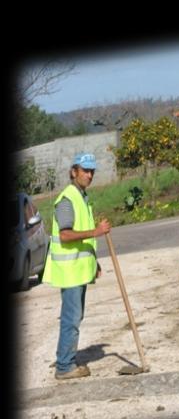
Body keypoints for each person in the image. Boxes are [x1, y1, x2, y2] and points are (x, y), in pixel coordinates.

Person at [42, 153, 111, 380]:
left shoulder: (82, 197)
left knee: (75, 317)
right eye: (85, 170)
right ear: (74, 172)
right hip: (70, 271)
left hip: (79, 269)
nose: (89, 175)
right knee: (71, 318)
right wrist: (96, 232)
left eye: (92, 171)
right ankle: (64, 366)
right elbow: (65, 235)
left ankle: (66, 360)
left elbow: (83, 240)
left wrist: (94, 261)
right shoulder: (67, 199)